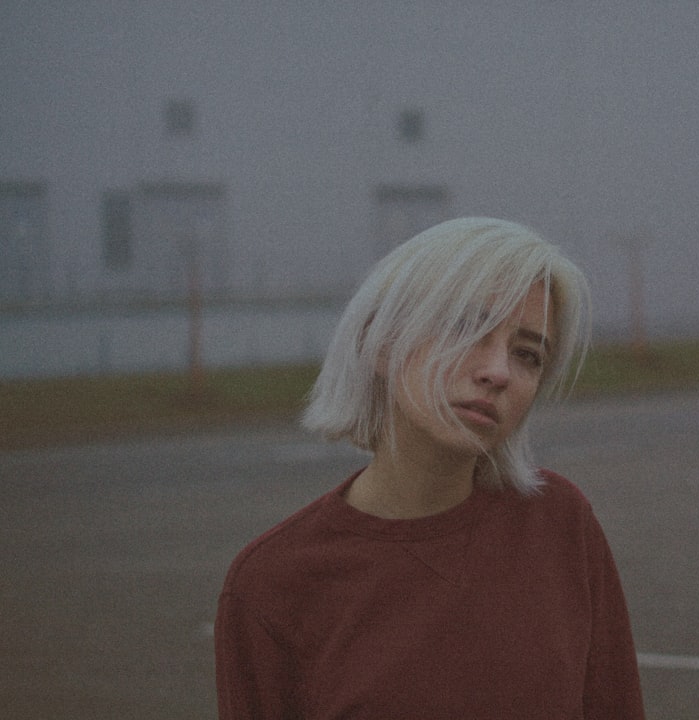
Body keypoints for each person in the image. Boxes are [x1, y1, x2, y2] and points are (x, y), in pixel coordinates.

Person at [215, 217, 645, 719]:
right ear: (380, 340)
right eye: (467, 327)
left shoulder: (561, 525)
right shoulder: (273, 582)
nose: (499, 371)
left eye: (528, 354)